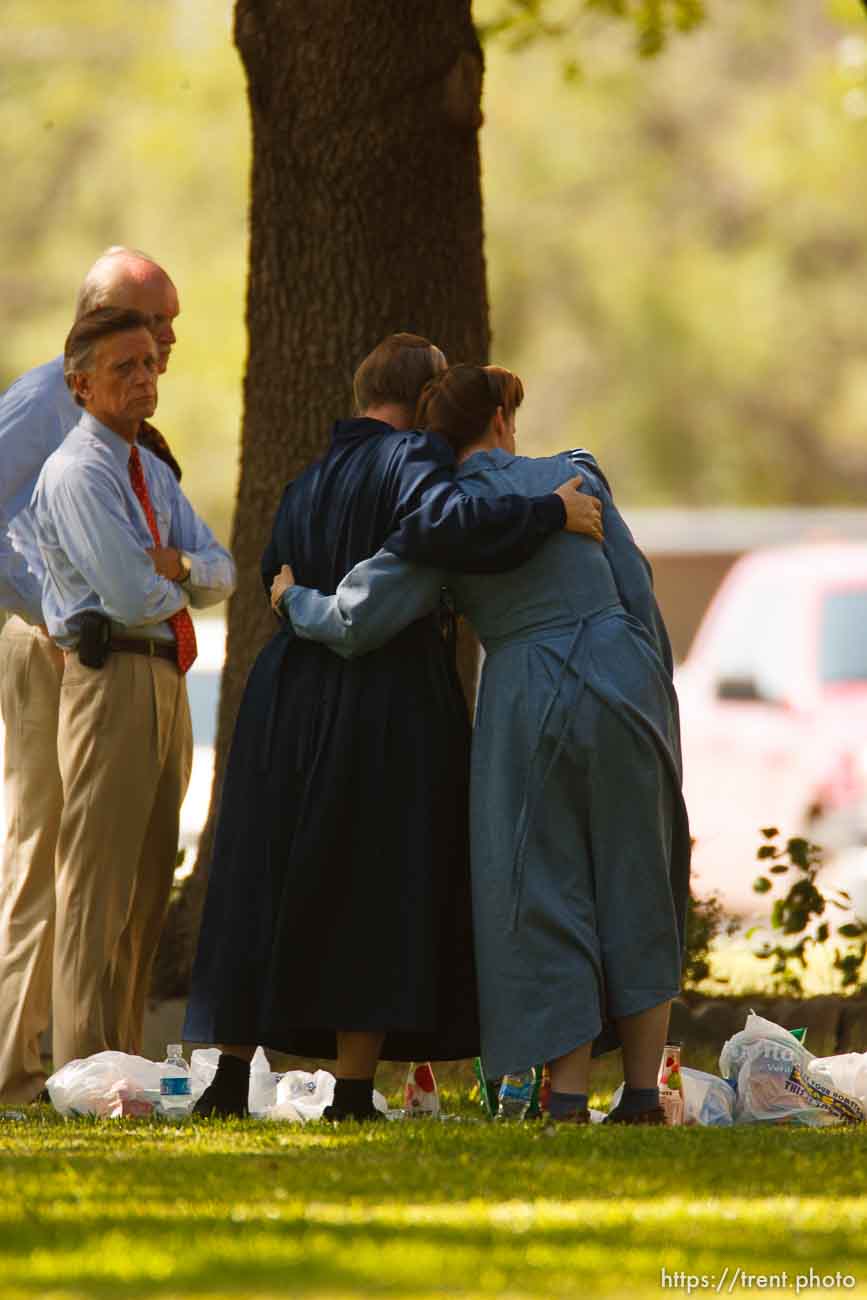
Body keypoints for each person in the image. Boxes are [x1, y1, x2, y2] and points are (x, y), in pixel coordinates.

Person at [185, 332, 603, 1121]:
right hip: (380, 691)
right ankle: (349, 1090)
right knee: (370, 879)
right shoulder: (413, 461)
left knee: (263, 874)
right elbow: (446, 525)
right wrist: (549, 510)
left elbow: (279, 570)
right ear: (423, 401)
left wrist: (296, 605)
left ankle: (228, 1078)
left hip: (287, 688)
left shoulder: (306, 479)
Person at [277, 364, 691, 1126]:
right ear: (501, 417)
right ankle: (640, 1093)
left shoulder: (443, 521)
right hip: (620, 672)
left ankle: (564, 1095)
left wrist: (291, 598)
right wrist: (653, 691)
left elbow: (354, 618)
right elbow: (635, 587)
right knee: (637, 873)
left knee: (545, 883)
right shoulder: (574, 474)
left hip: (526, 692)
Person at [0, 247, 183, 1102]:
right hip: (50, 648)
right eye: (155, 322)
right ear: (101, 319)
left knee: (120, 865)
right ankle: (19, 1072)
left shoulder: (128, 424)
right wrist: (54, 614)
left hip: (113, 651)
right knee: (46, 857)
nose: (169, 339)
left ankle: (107, 1062)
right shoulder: (43, 399)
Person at [30, 307, 235, 1070]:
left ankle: (125, 1061)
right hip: (110, 674)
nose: (146, 378)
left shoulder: (147, 469)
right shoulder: (80, 472)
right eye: (126, 367)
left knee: (150, 879)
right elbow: (125, 595)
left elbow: (221, 569)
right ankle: (80, 1065)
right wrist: (175, 574)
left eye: (151, 363)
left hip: (164, 676)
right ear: (82, 385)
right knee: (95, 883)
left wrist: (175, 564)